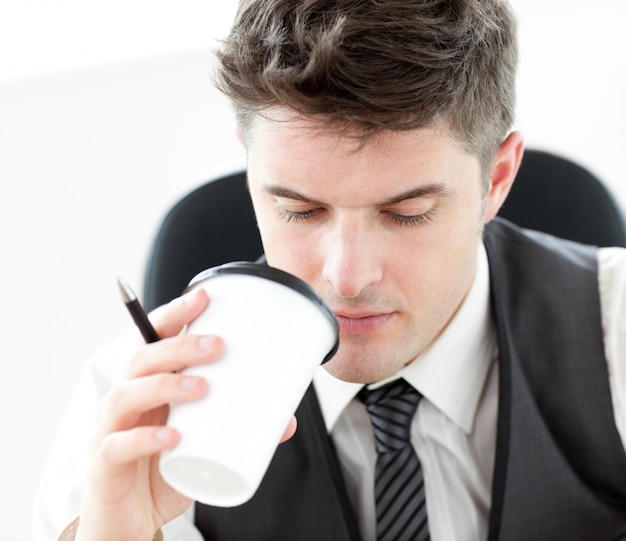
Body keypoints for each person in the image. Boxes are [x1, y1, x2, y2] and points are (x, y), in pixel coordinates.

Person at [35, 0, 626, 540]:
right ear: (250, 168)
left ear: (495, 179)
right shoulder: (130, 410)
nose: (346, 277)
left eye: (407, 213)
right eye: (299, 209)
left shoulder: (614, 327)